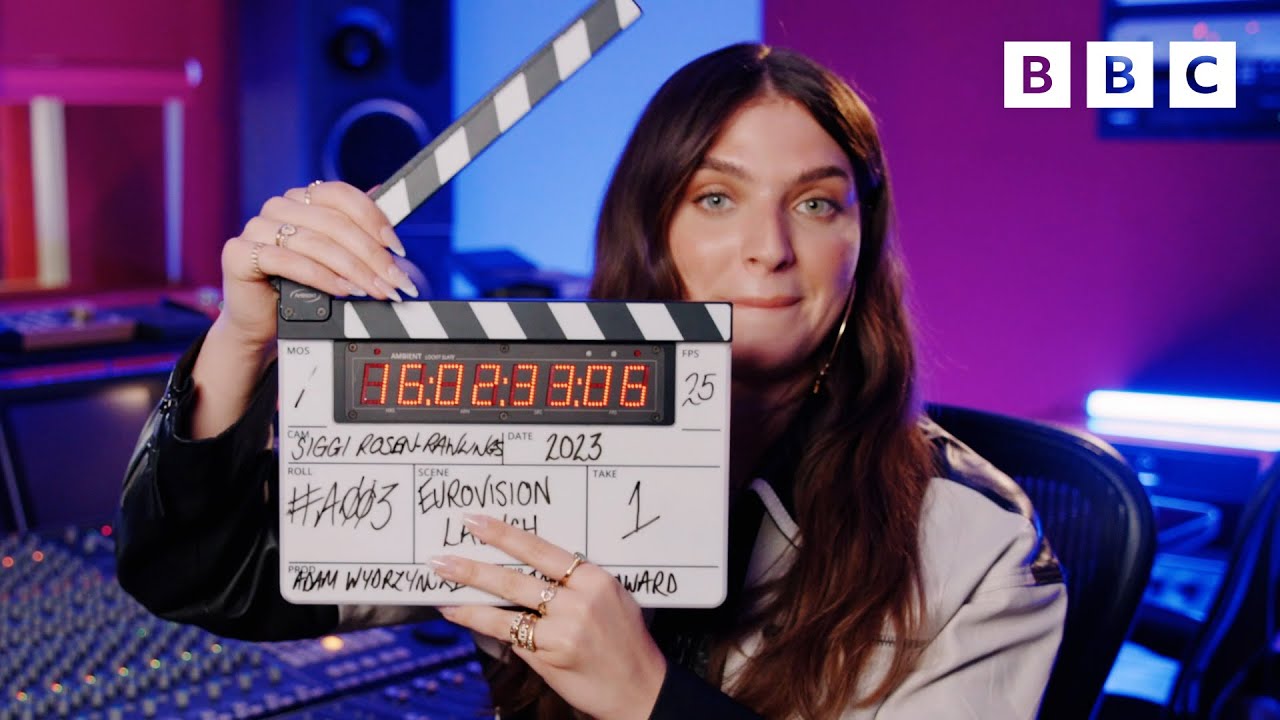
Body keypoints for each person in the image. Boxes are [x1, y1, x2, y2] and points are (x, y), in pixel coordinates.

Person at [117, 43, 1067, 719]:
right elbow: (200, 573)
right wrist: (245, 338)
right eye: (717, 197)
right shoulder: (530, 423)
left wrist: (645, 698)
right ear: (650, 231)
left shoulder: (977, 549)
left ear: (862, 243)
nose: (771, 250)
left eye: (817, 203)